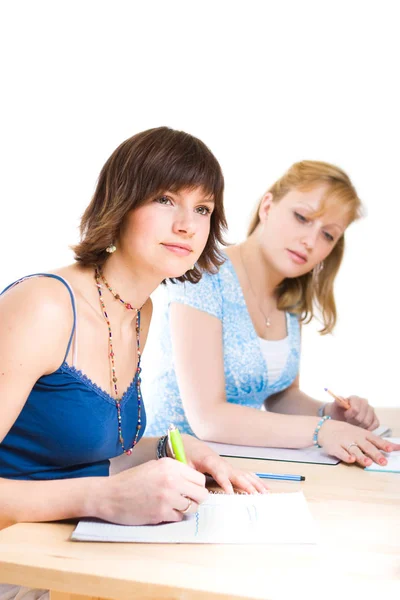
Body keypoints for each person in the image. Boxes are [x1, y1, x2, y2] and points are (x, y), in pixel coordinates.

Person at [0, 126, 267, 538]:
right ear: (119, 204)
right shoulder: (44, 307)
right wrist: (100, 498)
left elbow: (79, 453)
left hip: (58, 546)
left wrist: (174, 449)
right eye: (165, 200)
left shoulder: (139, 309)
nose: (187, 226)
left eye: (203, 209)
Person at [145, 160, 400, 467]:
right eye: (302, 217)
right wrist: (322, 430)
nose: (310, 241)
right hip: (171, 471)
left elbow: (280, 398)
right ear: (267, 206)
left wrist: (329, 413)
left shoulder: (290, 295)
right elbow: (209, 419)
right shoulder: (202, 278)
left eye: (328, 235)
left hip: (242, 468)